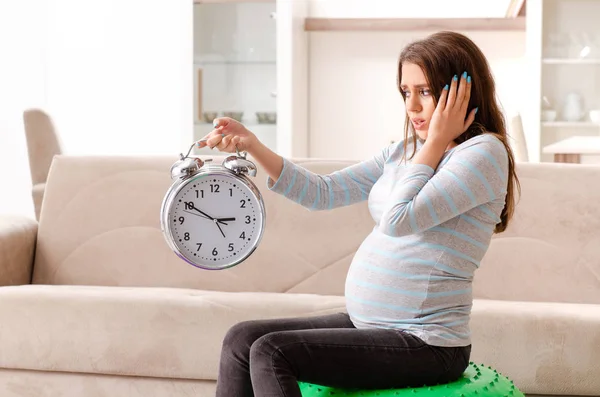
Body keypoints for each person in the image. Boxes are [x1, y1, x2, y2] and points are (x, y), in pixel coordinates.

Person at [198, 30, 520, 397]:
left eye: (425, 91)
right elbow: (323, 192)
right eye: (405, 92)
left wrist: (433, 144)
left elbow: (399, 220)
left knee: (272, 353)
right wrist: (252, 145)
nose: (412, 106)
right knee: (241, 339)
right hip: (370, 325)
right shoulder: (403, 151)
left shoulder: (483, 154)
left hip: (426, 343)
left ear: (461, 92)